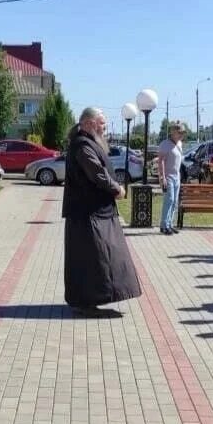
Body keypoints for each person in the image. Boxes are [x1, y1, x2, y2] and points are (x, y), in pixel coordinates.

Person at [62, 108, 142, 316]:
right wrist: (116, 188)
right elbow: (96, 173)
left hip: (95, 211)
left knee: (100, 257)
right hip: (87, 213)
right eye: (102, 125)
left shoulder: (87, 142)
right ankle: (87, 301)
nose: (105, 130)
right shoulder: (82, 145)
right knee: (94, 258)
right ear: (89, 124)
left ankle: (91, 299)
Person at [157, 122, 186, 235]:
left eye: (183, 133)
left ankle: (170, 224)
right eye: (179, 132)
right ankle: (164, 225)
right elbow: (161, 161)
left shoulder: (179, 144)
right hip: (168, 176)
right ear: (173, 132)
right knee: (169, 200)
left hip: (176, 176)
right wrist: (162, 177)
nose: (181, 135)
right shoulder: (165, 144)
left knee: (174, 201)